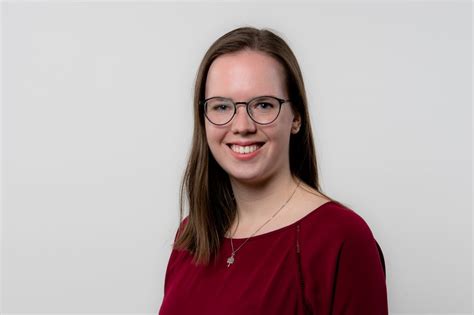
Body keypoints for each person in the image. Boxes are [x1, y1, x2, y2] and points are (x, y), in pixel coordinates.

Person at [158, 26, 388, 315]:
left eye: (263, 105)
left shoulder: (341, 238)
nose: (242, 126)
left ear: (296, 117)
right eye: (221, 107)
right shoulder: (191, 235)